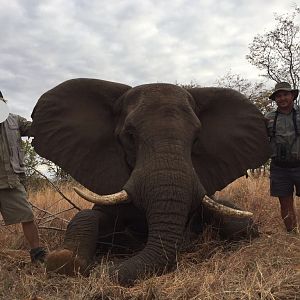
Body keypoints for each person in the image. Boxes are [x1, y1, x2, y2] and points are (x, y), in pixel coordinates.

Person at [0, 90, 46, 261]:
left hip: (12, 180)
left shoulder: (15, 120)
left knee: (27, 216)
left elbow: (34, 128)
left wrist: (47, 117)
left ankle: (37, 253)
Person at [265, 82, 299, 234]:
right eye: (278, 96)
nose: (282, 98)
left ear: (292, 95)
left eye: (285, 94)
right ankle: (293, 234)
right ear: (275, 99)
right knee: (285, 204)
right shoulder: (268, 118)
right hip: (279, 167)